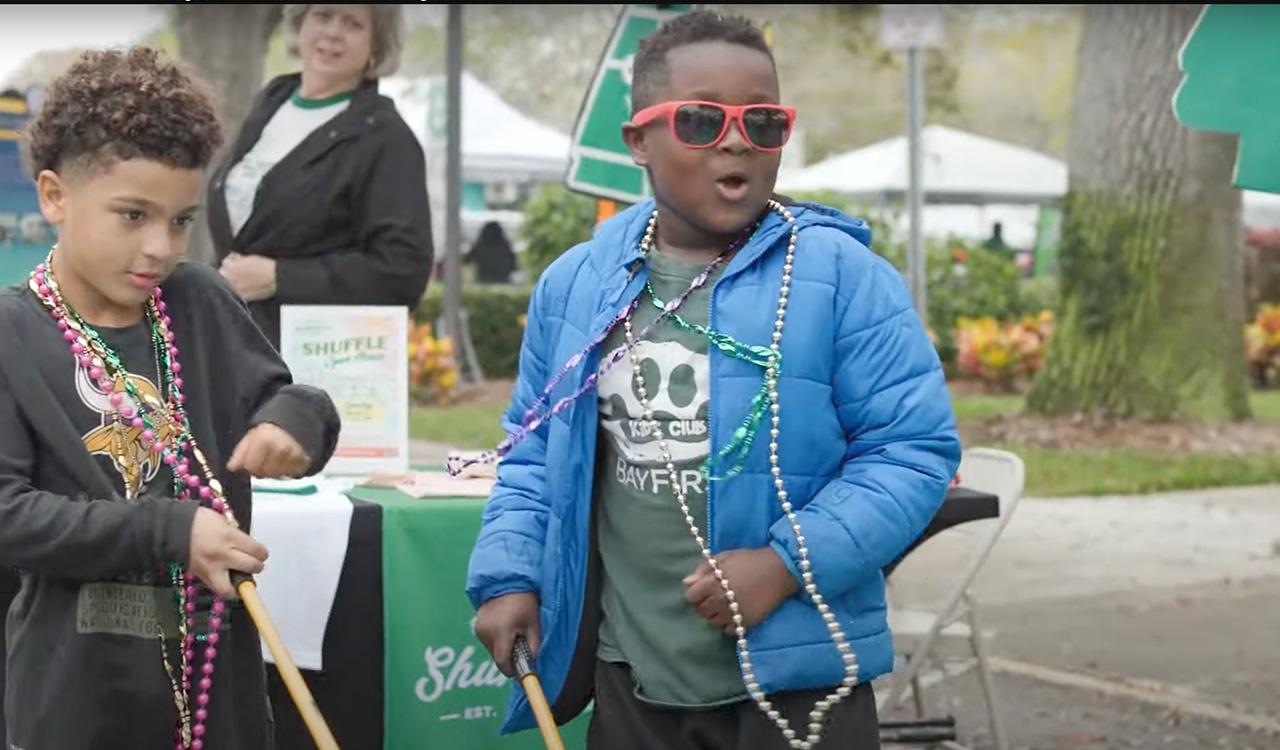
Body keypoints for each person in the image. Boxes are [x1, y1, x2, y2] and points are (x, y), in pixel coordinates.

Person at [464, 10, 960, 750]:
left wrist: (787, 564)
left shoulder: (842, 277)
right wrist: (509, 575)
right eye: (701, 120)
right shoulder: (577, 285)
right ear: (638, 140)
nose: (736, 139)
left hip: (800, 684)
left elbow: (913, 451)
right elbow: (533, 455)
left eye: (764, 122)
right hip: (631, 679)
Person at [0, 47, 340, 748]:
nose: (161, 247)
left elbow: (289, 397)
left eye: (181, 221)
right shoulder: (11, 332)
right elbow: (10, 514)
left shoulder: (198, 300)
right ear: (56, 196)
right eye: (132, 215)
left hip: (218, 685)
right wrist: (169, 530)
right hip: (75, 696)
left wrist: (294, 424)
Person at [208, 4, 433, 349]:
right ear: (301, 23)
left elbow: (402, 271)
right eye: (323, 15)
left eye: (353, 23)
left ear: (376, 44)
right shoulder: (273, 101)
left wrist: (281, 278)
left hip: (317, 356)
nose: (333, 32)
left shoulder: (385, 138)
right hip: (235, 340)